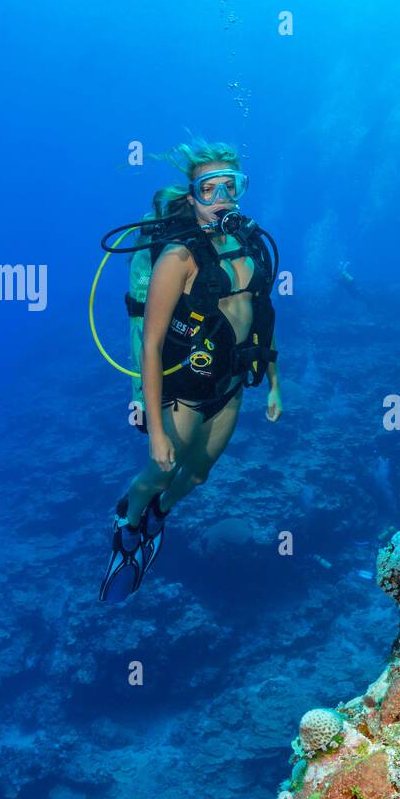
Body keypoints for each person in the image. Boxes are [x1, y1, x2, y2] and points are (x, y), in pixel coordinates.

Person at [100, 138, 282, 602]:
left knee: (198, 475)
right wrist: (156, 430)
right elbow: (152, 345)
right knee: (162, 469)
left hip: (231, 385)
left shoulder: (251, 246)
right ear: (192, 197)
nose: (221, 198)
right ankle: (129, 516)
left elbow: (264, 317)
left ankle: (157, 513)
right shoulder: (178, 257)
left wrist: (275, 385)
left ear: (242, 188)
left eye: (230, 186)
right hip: (183, 389)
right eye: (208, 190)